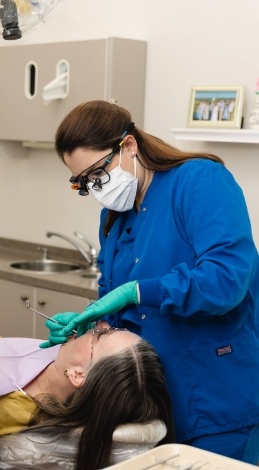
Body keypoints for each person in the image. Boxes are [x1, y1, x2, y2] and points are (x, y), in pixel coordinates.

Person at [42, 99, 259, 465]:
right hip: (150, 405)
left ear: (128, 146)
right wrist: (90, 324)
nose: (95, 188)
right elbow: (118, 307)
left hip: (217, 397)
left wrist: (139, 291)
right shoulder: (114, 216)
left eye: (97, 173)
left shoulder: (200, 181)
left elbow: (226, 280)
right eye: (84, 182)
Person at [0, 323, 175, 470]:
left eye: (100, 335)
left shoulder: (1, 408)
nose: (101, 325)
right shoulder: (53, 368)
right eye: (114, 327)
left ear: (77, 375)